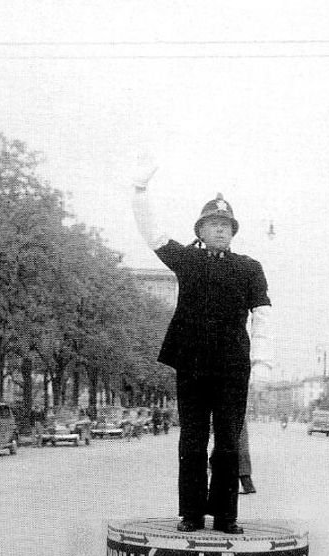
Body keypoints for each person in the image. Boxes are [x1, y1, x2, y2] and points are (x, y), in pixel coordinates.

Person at [132, 155, 271, 534]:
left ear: (233, 231)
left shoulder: (249, 267)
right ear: (201, 230)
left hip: (232, 367)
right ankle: (191, 514)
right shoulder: (187, 260)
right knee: (192, 441)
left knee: (227, 441)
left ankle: (226, 516)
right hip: (191, 364)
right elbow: (152, 233)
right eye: (214, 224)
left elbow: (262, 314)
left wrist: (262, 361)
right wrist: (139, 191)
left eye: (226, 225)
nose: (221, 230)